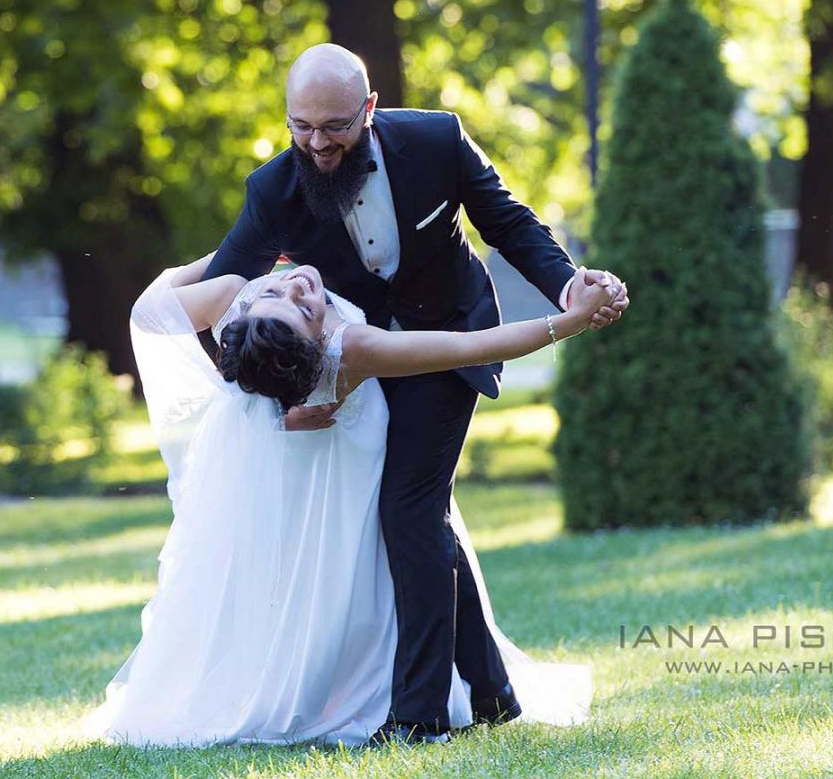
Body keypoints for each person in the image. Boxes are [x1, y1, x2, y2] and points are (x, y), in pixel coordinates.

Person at [195, 43, 628, 743]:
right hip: (351, 362)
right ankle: (491, 694)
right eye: (301, 126)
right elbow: (222, 309)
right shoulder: (272, 188)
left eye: (334, 126)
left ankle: (419, 715)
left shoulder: (436, 139)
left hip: (447, 339)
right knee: (422, 517)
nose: (317, 142)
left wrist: (566, 285)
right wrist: (281, 399)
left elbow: (508, 222)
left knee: (409, 509)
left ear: (368, 110)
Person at [81, 254, 626, 747]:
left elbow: (150, 310)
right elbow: (467, 347)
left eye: (287, 295)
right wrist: (570, 323)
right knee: (314, 574)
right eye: (299, 304)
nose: (296, 286)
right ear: (317, 345)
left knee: (359, 571)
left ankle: (402, 680)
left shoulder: (243, 292)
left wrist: (229, 259)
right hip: (305, 466)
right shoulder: (336, 340)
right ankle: (331, 686)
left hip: (330, 464)